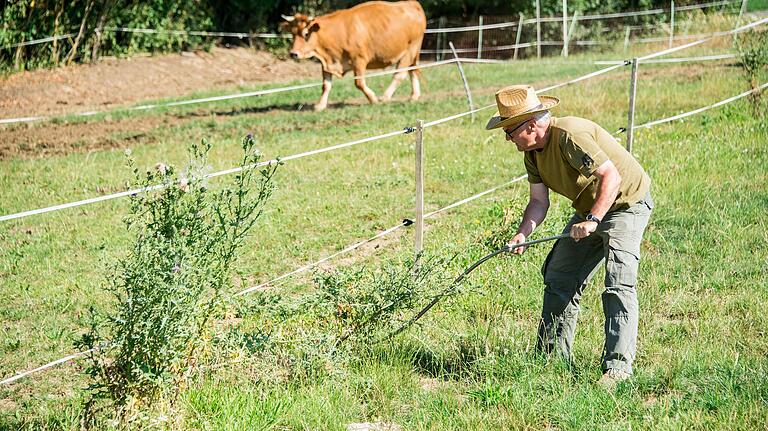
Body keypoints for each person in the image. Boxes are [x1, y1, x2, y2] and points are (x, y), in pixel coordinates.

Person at [485, 84, 653, 387]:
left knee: (618, 282)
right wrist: (523, 233)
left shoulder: (570, 135)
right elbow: (538, 201)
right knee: (559, 275)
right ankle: (551, 358)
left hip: (626, 203)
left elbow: (611, 177)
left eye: (510, 132)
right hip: (591, 209)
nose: (508, 139)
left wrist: (592, 220)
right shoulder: (533, 152)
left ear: (532, 125)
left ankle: (617, 369)